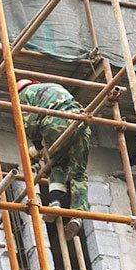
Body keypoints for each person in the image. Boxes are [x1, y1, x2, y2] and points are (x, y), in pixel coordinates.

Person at [17, 79, 91, 240]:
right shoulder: (54, 87)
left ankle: (55, 203)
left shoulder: (24, 95)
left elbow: (30, 124)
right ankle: (78, 216)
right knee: (79, 172)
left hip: (55, 123)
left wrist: (37, 147)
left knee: (57, 165)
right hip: (80, 122)